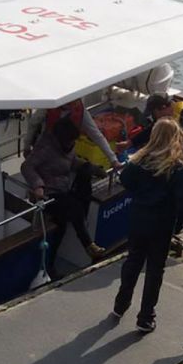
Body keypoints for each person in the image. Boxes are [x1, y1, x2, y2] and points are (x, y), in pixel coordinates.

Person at [112, 118, 183, 333]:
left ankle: (120, 305)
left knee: (133, 261)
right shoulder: (177, 167)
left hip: (139, 217)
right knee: (154, 270)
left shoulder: (139, 160)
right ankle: (146, 317)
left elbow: (125, 181)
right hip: (161, 224)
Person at [125, 93, 183, 256]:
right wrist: (131, 142)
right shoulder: (165, 117)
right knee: (177, 196)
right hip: (180, 160)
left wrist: (167, 160)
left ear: (164, 108)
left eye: (154, 113)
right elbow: (154, 129)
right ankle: (176, 228)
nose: (154, 118)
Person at [21, 118, 106, 278]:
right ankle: (89, 246)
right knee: (74, 208)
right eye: (70, 141)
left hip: (63, 190)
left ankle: (50, 267)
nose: (72, 145)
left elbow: (72, 162)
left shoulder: (68, 147)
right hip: (48, 195)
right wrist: (38, 185)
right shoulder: (46, 149)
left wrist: (91, 168)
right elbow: (27, 166)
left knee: (60, 228)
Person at [24, 99, 123, 171]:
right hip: (46, 149)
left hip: (66, 152)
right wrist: (27, 146)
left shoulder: (80, 111)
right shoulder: (49, 106)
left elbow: (96, 135)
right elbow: (33, 123)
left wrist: (113, 159)